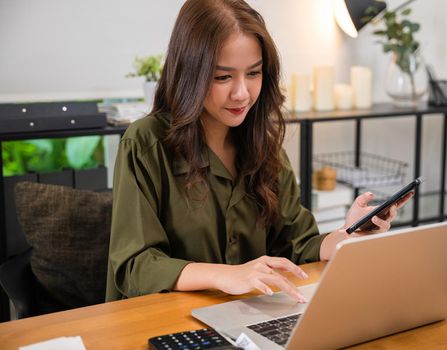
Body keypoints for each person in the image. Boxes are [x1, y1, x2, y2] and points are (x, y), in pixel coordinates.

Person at [106, 0, 411, 303]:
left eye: (253, 73)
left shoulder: (264, 146)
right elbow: (134, 266)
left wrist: (348, 235)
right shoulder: (146, 143)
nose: (242, 93)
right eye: (223, 77)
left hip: (248, 317)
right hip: (163, 325)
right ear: (190, 74)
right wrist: (223, 274)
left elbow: (295, 246)